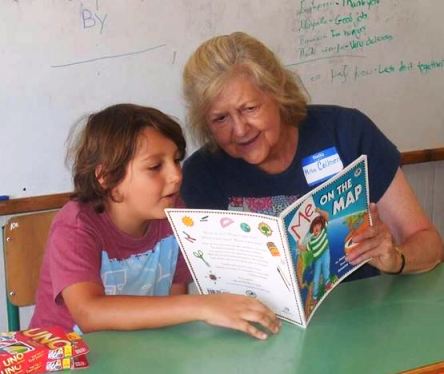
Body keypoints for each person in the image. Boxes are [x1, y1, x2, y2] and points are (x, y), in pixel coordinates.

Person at [181, 32, 443, 280]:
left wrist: (397, 258)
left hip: (365, 314)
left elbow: (428, 242)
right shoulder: (201, 175)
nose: (239, 130)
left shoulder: (346, 133)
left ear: (277, 93)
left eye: (249, 108)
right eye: (220, 118)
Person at [30, 103, 280, 340]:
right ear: (106, 177)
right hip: (61, 360)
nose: (176, 175)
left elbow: (175, 305)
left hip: (134, 354)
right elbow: (89, 313)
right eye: (155, 166)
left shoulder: (174, 212)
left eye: (176, 160)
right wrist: (202, 305)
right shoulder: (76, 225)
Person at [298, 208, 332, 307]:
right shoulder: (311, 241)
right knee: (316, 278)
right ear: (312, 229)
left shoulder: (323, 231)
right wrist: (298, 245)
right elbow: (304, 248)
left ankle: (327, 282)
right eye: (314, 227)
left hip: (325, 252)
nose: (316, 229)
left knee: (325, 267)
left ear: (321, 226)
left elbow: (327, 216)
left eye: (318, 226)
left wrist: (319, 211)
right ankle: (315, 298)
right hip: (317, 259)